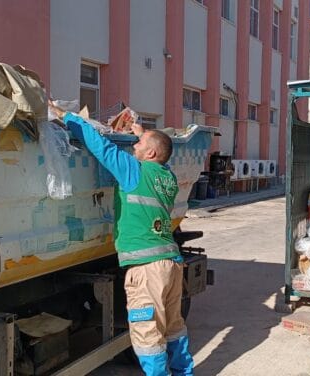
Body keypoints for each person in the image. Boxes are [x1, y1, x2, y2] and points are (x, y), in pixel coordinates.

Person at [49, 101, 194, 376]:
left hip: (147, 269)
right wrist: (141, 133)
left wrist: (65, 116)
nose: (133, 147)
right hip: (171, 265)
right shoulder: (168, 176)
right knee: (174, 328)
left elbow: (100, 146)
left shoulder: (134, 171)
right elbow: (156, 150)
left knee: (147, 337)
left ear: (150, 153)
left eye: (139, 145)